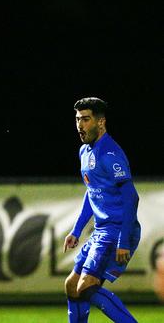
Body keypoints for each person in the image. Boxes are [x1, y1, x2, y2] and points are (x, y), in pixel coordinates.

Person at [63, 97, 140, 323]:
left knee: (86, 287)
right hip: (101, 231)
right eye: (77, 119)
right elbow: (92, 191)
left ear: (101, 122)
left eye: (86, 119)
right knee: (71, 286)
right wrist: (77, 230)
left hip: (117, 231)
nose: (80, 125)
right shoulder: (84, 152)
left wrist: (123, 240)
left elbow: (132, 197)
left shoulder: (110, 154)